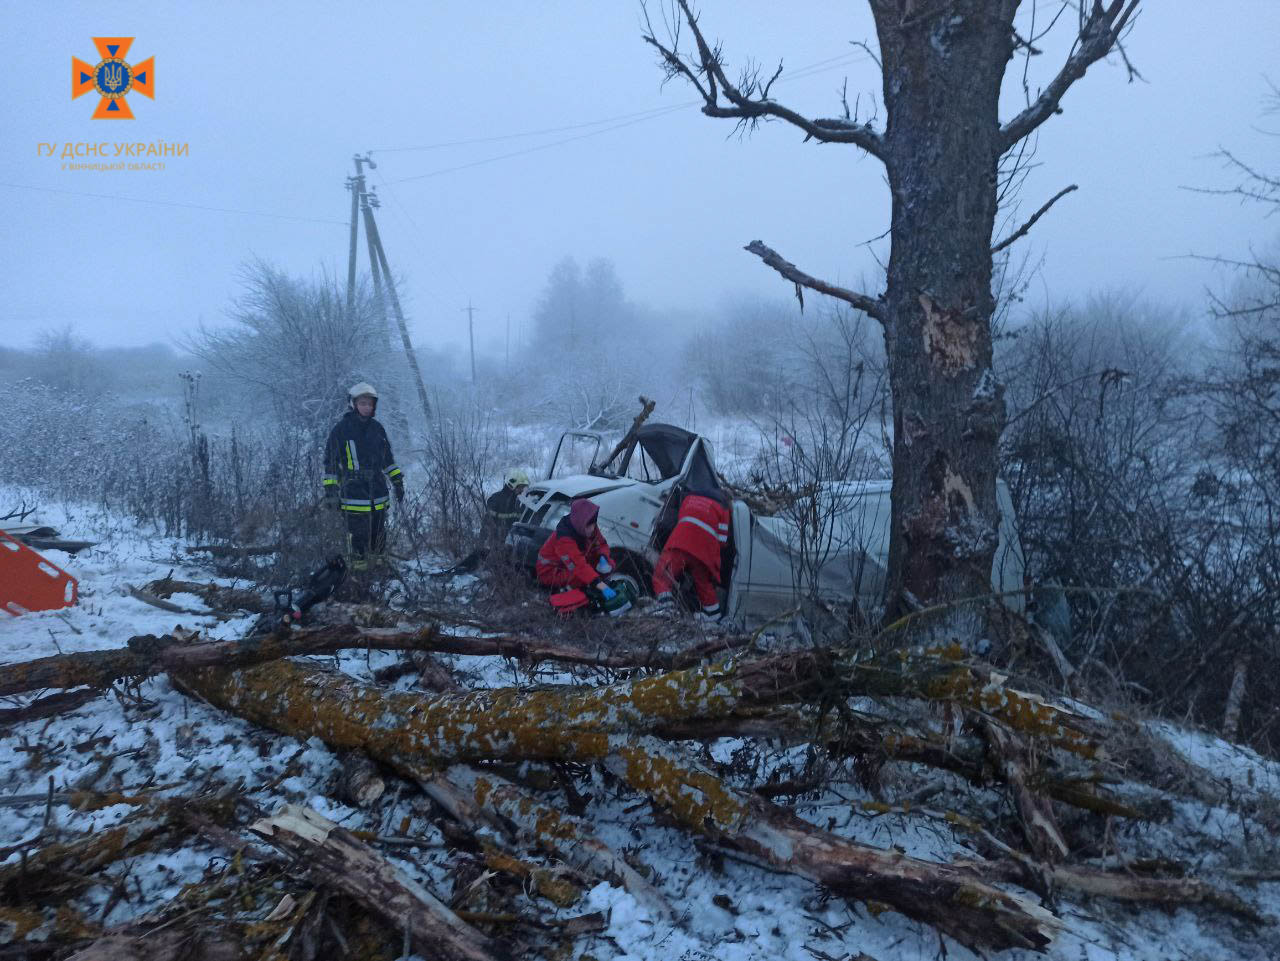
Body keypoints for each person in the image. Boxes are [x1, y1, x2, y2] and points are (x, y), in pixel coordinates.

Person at [323, 382, 404, 570]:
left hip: (378, 492)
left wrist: (398, 481)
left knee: (379, 534)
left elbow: (388, 460)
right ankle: (359, 573)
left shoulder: (378, 429)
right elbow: (331, 463)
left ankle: (379, 570)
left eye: (370, 404)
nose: (367, 407)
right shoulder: (341, 430)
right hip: (353, 492)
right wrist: (331, 491)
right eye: (363, 403)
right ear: (353, 404)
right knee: (357, 536)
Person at [652, 488, 731, 621]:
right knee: (703, 583)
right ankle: (713, 615)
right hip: (704, 552)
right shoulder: (723, 509)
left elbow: (678, 520)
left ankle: (668, 608)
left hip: (681, 543)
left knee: (662, 577)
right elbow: (723, 541)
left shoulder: (688, 499)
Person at [536, 498, 618, 608]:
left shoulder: (588, 525)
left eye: (594, 524)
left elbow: (602, 544)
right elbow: (579, 567)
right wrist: (600, 585)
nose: (593, 528)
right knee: (579, 578)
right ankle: (571, 597)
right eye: (589, 526)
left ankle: (594, 587)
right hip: (551, 571)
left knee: (609, 563)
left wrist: (603, 557)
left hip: (571, 565)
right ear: (581, 523)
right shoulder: (564, 539)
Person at [485, 468, 530, 541]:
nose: (522, 490)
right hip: (497, 542)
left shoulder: (519, 502)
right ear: (513, 485)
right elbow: (487, 524)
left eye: (523, 487)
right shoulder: (495, 499)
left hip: (512, 541)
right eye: (521, 487)